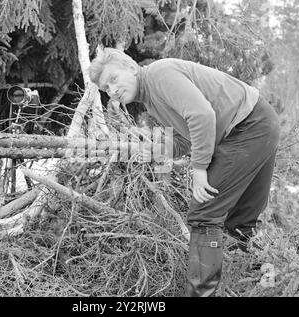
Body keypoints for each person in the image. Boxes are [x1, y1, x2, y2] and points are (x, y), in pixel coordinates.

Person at [88, 48, 280, 297]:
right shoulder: (151, 99)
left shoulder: (160, 74)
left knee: (204, 213)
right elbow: (184, 138)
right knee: (241, 223)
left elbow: (202, 116)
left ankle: (199, 294)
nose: (112, 90)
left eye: (113, 79)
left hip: (247, 127)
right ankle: (268, 286)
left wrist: (199, 169)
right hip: (259, 123)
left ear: (132, 68)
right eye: (105, 89)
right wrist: (157, 149)